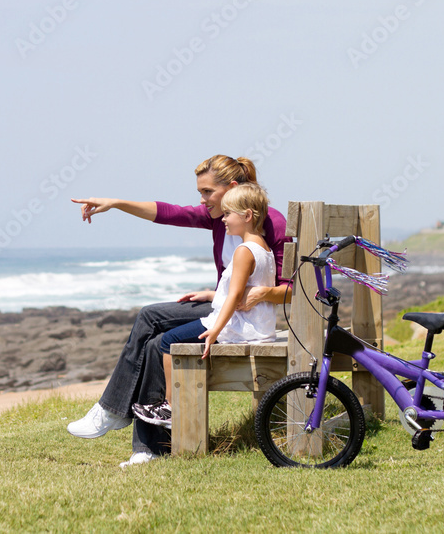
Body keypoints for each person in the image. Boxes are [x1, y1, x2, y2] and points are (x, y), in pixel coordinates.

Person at [67, 155, 291, 467]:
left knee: (154, 334)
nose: (202, 200)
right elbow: (168, 213)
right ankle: (138, 439)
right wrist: (116, 203)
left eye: (207, 192)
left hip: (243, 318)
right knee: (150, 321)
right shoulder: (218, 217)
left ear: (233, 189)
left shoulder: (273, 224)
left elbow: (292, 288)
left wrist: (263, 293)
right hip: (224, 304)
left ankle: (126, 425)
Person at [131, 183, 276, 430]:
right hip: (254, 326)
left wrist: (215, 331)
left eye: (229, 214)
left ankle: (170, 406)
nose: (225, 220)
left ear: (248, 216)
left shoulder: (243, 251)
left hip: (237, 328)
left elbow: (235, 296)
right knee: (171, 338)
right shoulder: (264, 247)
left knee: (167, 341)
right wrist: (211, 295)